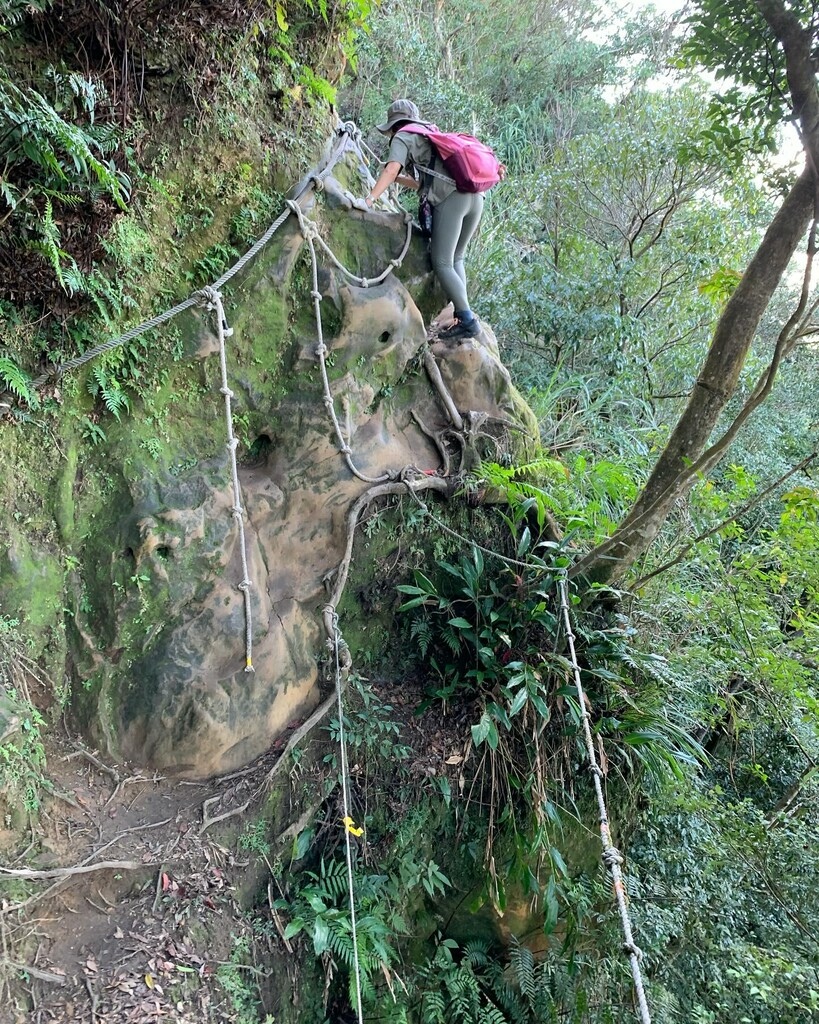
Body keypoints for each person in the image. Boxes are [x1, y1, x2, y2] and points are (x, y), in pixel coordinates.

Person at [364, 98, 483, 341]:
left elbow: (390, 168)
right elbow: (422, 182)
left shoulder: (402, 136)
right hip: (475, 198)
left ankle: (467, 320)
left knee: (442, 263)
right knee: (457, 257)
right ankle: (463, 313)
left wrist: (369, 200)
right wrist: (398, 180)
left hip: (453, 201)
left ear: (395, 124)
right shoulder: (430, 133)